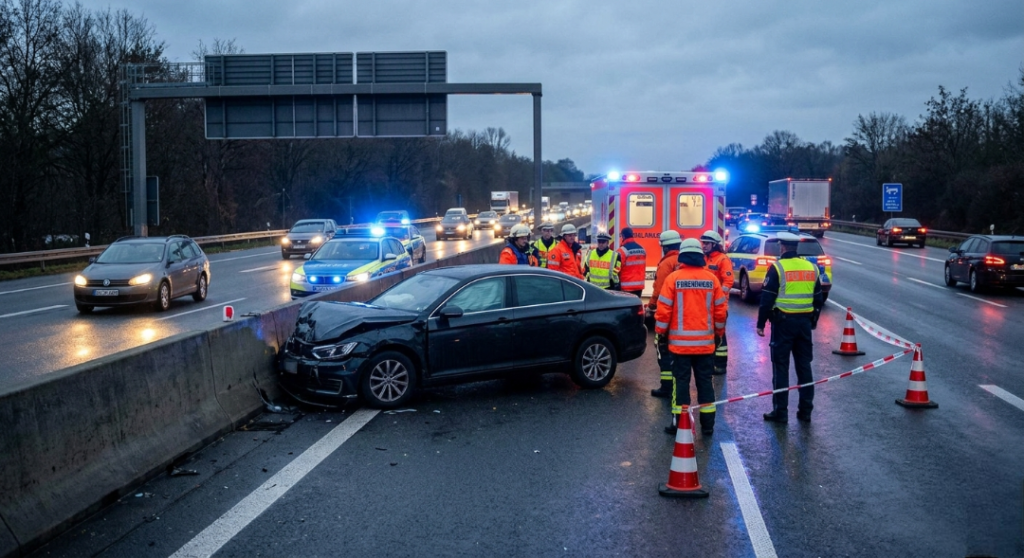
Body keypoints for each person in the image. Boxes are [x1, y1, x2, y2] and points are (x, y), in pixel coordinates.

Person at [655, 238, 727, 436]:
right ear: (700, 256)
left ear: (683, 256)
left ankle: (680, 424)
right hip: (705, 346)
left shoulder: (673, 279)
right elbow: (720, 312)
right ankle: (708, 425)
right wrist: (718, 334)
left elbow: (663, 312)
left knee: (681, 384)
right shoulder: (711, 279)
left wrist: (661, 334)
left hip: (680, 347)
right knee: (705, 383)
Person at [757, 232, 824, 424]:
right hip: (804, 324)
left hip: (783, 324)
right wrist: (813, 320)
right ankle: (806, 411)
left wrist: (761, 324)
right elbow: (818, 299)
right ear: (796, 248)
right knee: (804, 366)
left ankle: (780, 412)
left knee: (781, 367)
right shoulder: (811, 267)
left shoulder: (778, 267)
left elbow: (767, 298)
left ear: (782, 247)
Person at [648, 230, 682, 398]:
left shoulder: (666, 263)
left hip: (667, 313)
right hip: (683, 315)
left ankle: (666, 386)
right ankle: (677, 385)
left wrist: (651, 305)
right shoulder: (684, 261)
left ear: (666, 247)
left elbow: (659, 289)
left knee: (663, 350)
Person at [701, 230, 734, 375]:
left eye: (707, 243)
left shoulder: (722, 259)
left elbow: (728, 281)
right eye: (703, 243)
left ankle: (720, 365)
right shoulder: (704, 258)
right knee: (708, 335)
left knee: (719, 335)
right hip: (704, 305)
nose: (704, 245)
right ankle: (710, 363)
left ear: (714, 244)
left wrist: (717, 296)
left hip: (718, 306)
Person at [616, 227, 647, 297]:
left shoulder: (621, 251)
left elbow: (616, 269)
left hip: (626, 286)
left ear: (623, 236)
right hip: (639, 286)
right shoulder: (642, 249)